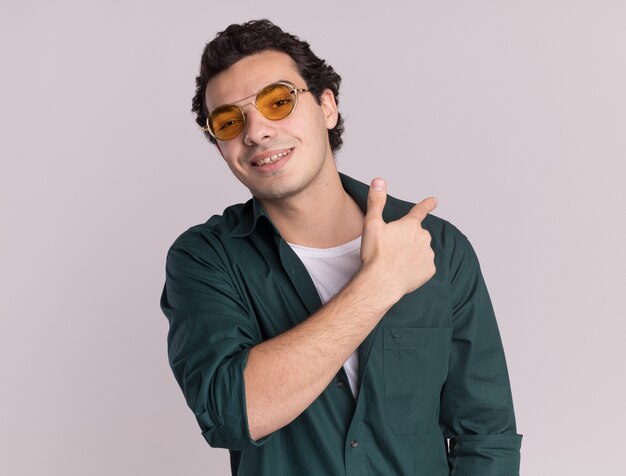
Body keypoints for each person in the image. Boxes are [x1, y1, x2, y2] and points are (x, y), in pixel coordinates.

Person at [160, 19, 522, 476]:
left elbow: (486, 435)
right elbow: (233, 415)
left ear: (327, 105)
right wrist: (378, 285)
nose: (255, 132)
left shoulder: (437, 247)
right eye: (229, 121)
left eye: (278, 102)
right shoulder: (205, 259)